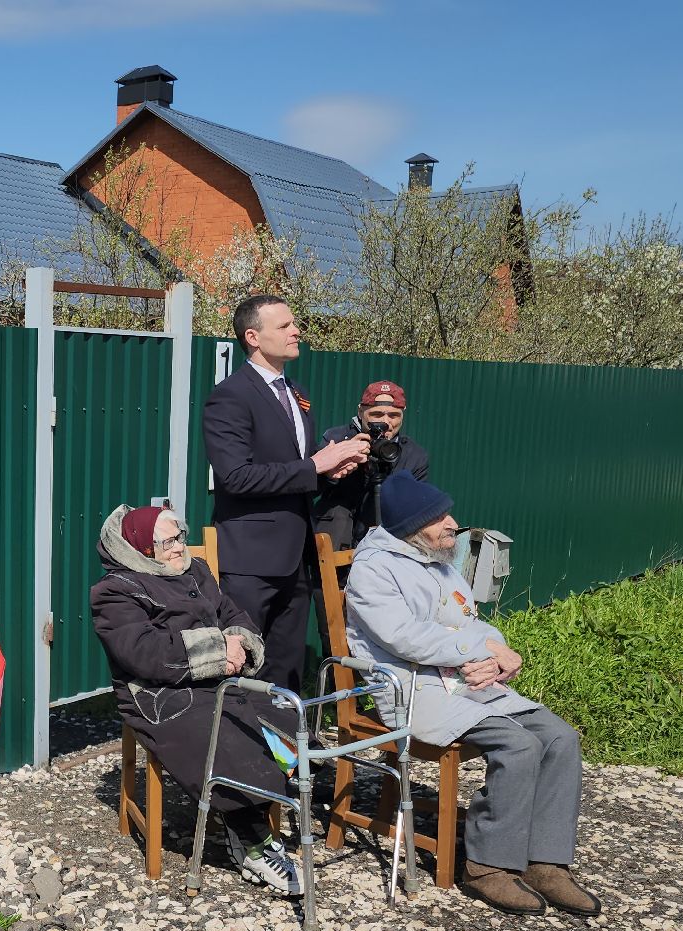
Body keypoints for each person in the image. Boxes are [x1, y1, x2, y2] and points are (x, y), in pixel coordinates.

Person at [343, 473, 601, 918]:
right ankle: (486, 867)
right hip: (412, 688)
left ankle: (546, 862)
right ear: (412, 524)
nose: (452, 524)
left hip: (463, 679)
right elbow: (405, 638)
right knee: (519, 744)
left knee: (561, 738)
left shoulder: (438, 560)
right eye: (440, 517)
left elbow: (470, 620)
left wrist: (495, 653)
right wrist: (475, 651)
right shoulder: (374, 570)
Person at [89, 503, 305, 894]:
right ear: (141, 548)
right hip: (159, 692)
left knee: (285, 719)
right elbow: (144, 652)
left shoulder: (196, 570)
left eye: (180, 536)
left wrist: (239, 643)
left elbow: (231, 611)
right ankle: (256, 843)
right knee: (221, 737)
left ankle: (257, 815)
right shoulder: (116, 590)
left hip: (218, 678)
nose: (178, 547)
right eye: (166, 541)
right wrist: (219, 649)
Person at [202, 294, 369, 692]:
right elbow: (236, 477)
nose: (297, 331)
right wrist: (316, 465)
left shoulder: (295, 391)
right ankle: (239, 751)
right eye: (284, 326)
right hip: (250, 560)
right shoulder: (231, 396)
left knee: (286, 668)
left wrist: (328, 472)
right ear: (253, 337)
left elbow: (293, 469)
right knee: (243, 668)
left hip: (296, 555)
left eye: (294, 324)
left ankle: (286, 752)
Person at [316, 379, 432, 549]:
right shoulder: (337, 439)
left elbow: (416, 510)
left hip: (385, 542)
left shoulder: (414, 455)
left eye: (394, 416)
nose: (386, 423)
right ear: (361, 411)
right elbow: (310, 487)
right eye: (377, 415)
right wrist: (339, 463)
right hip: (334, 538)